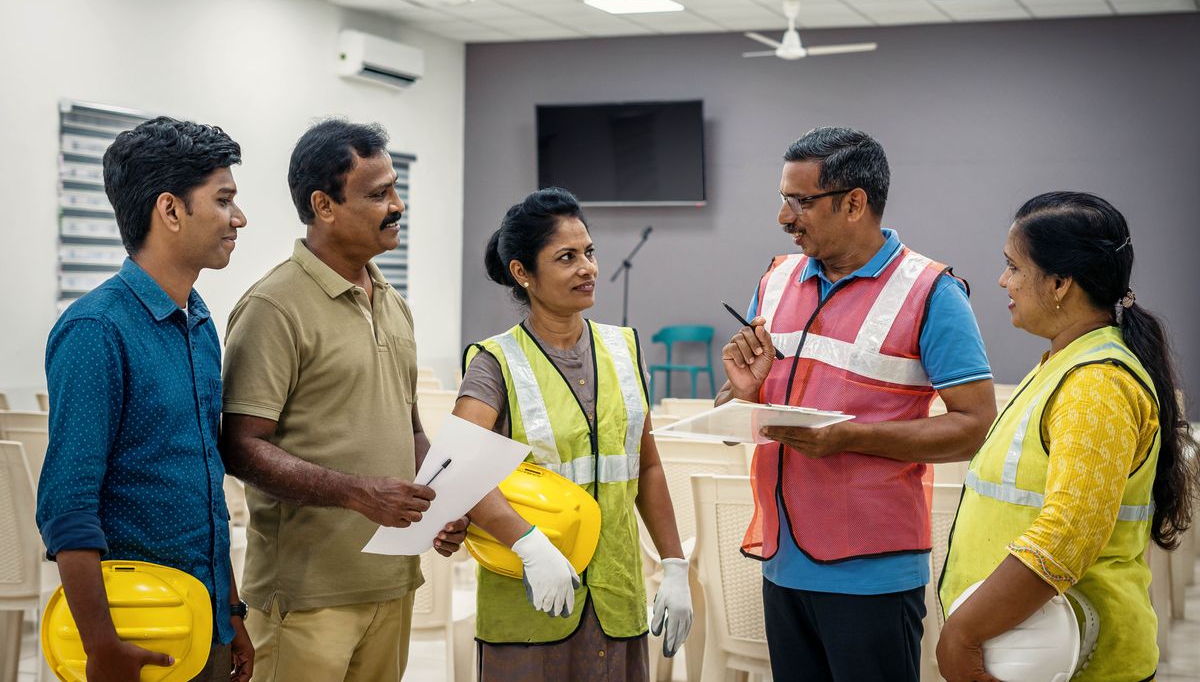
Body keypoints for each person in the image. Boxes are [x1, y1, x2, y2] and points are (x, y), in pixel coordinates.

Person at [718, 126, 997, 681]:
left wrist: (850, 437)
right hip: (783, 562)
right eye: (783, 199)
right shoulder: (774, 282)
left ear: (853, 204)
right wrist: (742, 393)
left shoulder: (931, 292)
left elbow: (974, 426)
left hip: (873, 571)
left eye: (800, 201)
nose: (783, 216)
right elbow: (738, 415)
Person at [219, 119, 466, 682]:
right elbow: (240, 448)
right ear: (323, 207)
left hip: (391, 582)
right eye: (379, 194)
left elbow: (410, 432)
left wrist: (441, 505)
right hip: (305, 597)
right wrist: (356, 494)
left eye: (395, 189)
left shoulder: (392, 303)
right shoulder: (273, 308)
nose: (397, 206)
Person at [938, 192, 1199, 682]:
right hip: (1036, 643)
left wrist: (963, 635)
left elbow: (1068, 534)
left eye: (1013, 267)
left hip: (1080, 658)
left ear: (1059, 283)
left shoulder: (1096, 383)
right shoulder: (1068, 362)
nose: (1002, 280)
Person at [37, 116, 253, 682]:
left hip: (204, 623)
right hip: (135, 634)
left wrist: (230, 612)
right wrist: (100, 644)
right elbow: (67, 505)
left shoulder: (199, 322)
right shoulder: (96, 331)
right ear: (171, 210)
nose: (239, 218)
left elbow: (205, 486)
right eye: (224, 199)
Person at [453, 187, 693, 681]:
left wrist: (673, 565)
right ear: (523, 273)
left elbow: (645, 464)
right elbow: (457, 468)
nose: (587, 268)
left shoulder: (624, 349)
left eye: (589, 252)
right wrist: (528, 545)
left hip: (616, 598)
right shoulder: (495, 363)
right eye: (567, 257)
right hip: (530, 600)